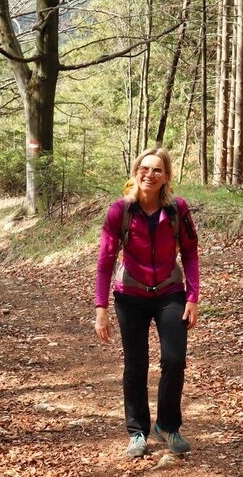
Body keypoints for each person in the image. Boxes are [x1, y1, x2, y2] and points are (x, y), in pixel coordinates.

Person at [94, 146, 200, 459]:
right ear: (135, 172)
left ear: (166, 177)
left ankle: (167, 426)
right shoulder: (120, 211)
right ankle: (137, 432)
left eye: (157, 169)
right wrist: (101, 310)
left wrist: (193, 297)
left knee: (174, 360)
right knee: (136, 365)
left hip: (170, 292)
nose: (149, 174)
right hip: (130, 296)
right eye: (144, 167)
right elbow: (104, 262)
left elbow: (190, 253)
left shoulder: (177, 210)